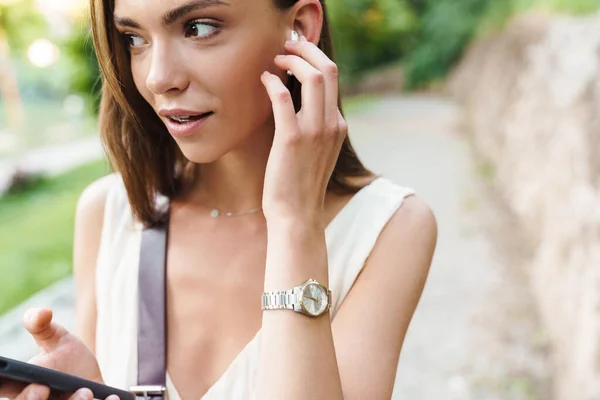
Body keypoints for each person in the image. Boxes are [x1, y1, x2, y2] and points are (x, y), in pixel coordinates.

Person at [1, 0, 437, 398]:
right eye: (135, 39)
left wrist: (294, 224)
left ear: (300, 29)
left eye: (200, 27)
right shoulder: (109, 214)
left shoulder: (388, 227)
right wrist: (93, 389)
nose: (159, 78)